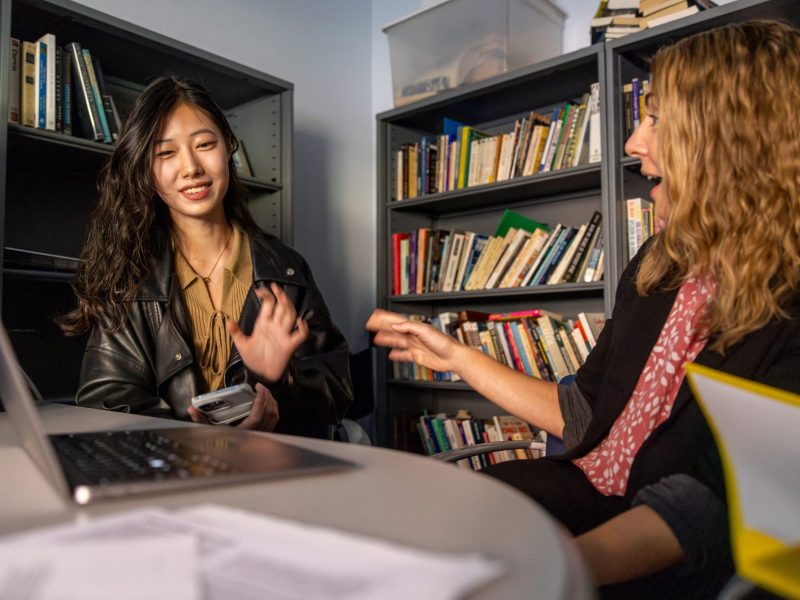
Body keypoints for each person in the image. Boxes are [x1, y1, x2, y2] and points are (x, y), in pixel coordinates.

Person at [367, 20, 800, 598]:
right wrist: (455, 357)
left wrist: (554, 567)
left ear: (732, 139)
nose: (632, 144)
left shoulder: (789, 298)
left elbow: (716, 501)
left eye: (657, 120)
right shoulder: (657, 263)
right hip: (589, 489)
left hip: (675, 549)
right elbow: (584, 413)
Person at [60, 76, 352, 438]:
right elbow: (105, 403)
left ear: (228, 146)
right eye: (165, 153)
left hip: (272, 470)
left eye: (204, 144)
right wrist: (195, 436)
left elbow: (336, 389)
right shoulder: (131, 273)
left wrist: (279, 382)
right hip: (172, 479)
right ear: (146, 170)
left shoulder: (286, 268)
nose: (191, 168)